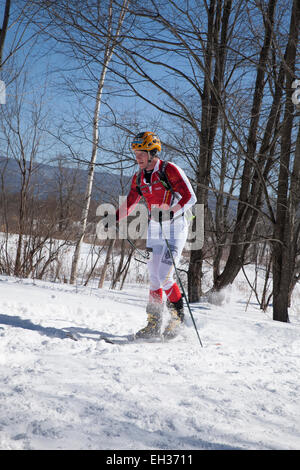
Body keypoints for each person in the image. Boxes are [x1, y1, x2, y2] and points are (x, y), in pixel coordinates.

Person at [116, 131, 197, 339]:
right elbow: (132, 200)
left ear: (153, 152)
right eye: (135, 153)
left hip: (176, 226)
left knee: (165, 275)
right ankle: (153, 324)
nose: (137, 157)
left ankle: (177, 319)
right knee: (154, 276)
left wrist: (170, 211)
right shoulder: (139, 177)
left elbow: (190, 197)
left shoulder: (168, 170)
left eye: (141, 153)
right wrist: (115, 217)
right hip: (155, 227)